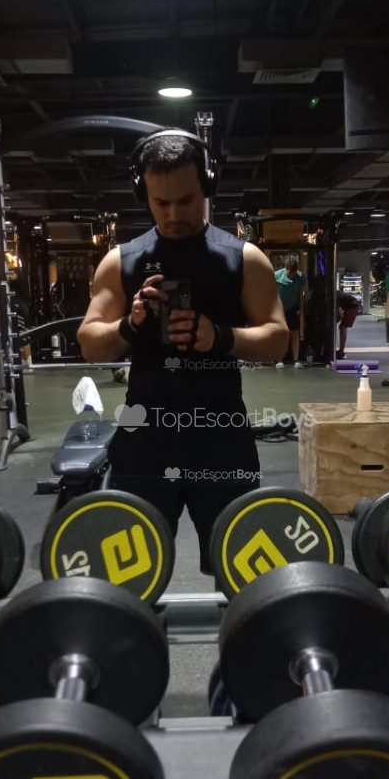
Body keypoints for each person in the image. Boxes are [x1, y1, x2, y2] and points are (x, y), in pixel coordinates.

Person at [77, 130, 288, 576]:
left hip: (220, 437)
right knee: (128, 574)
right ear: (144, 195)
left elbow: (277, 339)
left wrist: (222, 337)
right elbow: (90, 344)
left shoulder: (244, 259)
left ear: (207, 187)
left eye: (187, 200)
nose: (174, 214)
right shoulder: (120, 261)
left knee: (242, 570)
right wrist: (131, 325)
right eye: (161, 203)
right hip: (144, 437)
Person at [274, 258, 307, 367]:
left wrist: (301, 308)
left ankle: (295, 360)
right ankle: (279, 360)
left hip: (293, 309)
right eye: (290, 273)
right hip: (279, 309)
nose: (292, 276)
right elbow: (271, 291)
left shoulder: (300, 277)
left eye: (293, 273)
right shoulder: (277, 275)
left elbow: (304, 292)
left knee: (294, 333)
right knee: (281, 333)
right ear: (286, 269)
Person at [336, 291, 361, 357]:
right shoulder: (335, 294)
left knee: (343, 327)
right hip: (351, 305)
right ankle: (341, 351)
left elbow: (340, 316)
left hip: (353, 307)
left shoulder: (334, 298)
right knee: (342, 327)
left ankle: (341, 352)